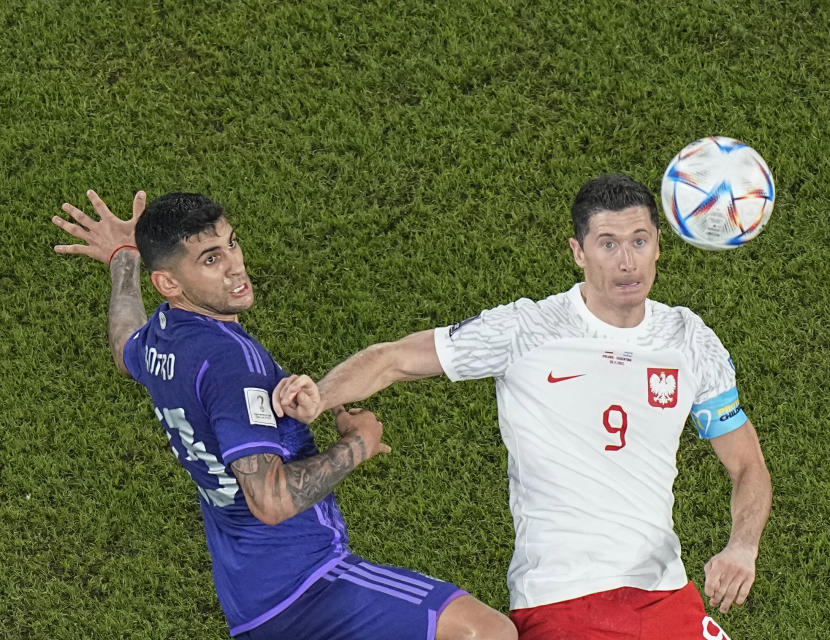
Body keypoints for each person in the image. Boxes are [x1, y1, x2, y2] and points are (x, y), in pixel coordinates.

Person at [272, 174, 773, 640]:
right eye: (608, 244)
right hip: (563, 598)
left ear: (659, 246)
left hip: (665, 593)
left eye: (639, 241)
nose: (627, 262)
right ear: (578, 252)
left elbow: (746, 463)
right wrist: (321, 396)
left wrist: (742, 546)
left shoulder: (687, 338)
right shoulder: (525, 329)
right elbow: (395, 359)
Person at [51, 190, 516, 640]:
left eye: (231, 243)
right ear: (170, 283)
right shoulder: (230, 362)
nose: (236, 266)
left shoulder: (162, 338)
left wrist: (124, 258)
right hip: (306, 584)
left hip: (248, 594)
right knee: (485, 631)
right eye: (211, 260)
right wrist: (359, 443)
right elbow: (270, 500)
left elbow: (122, 345)